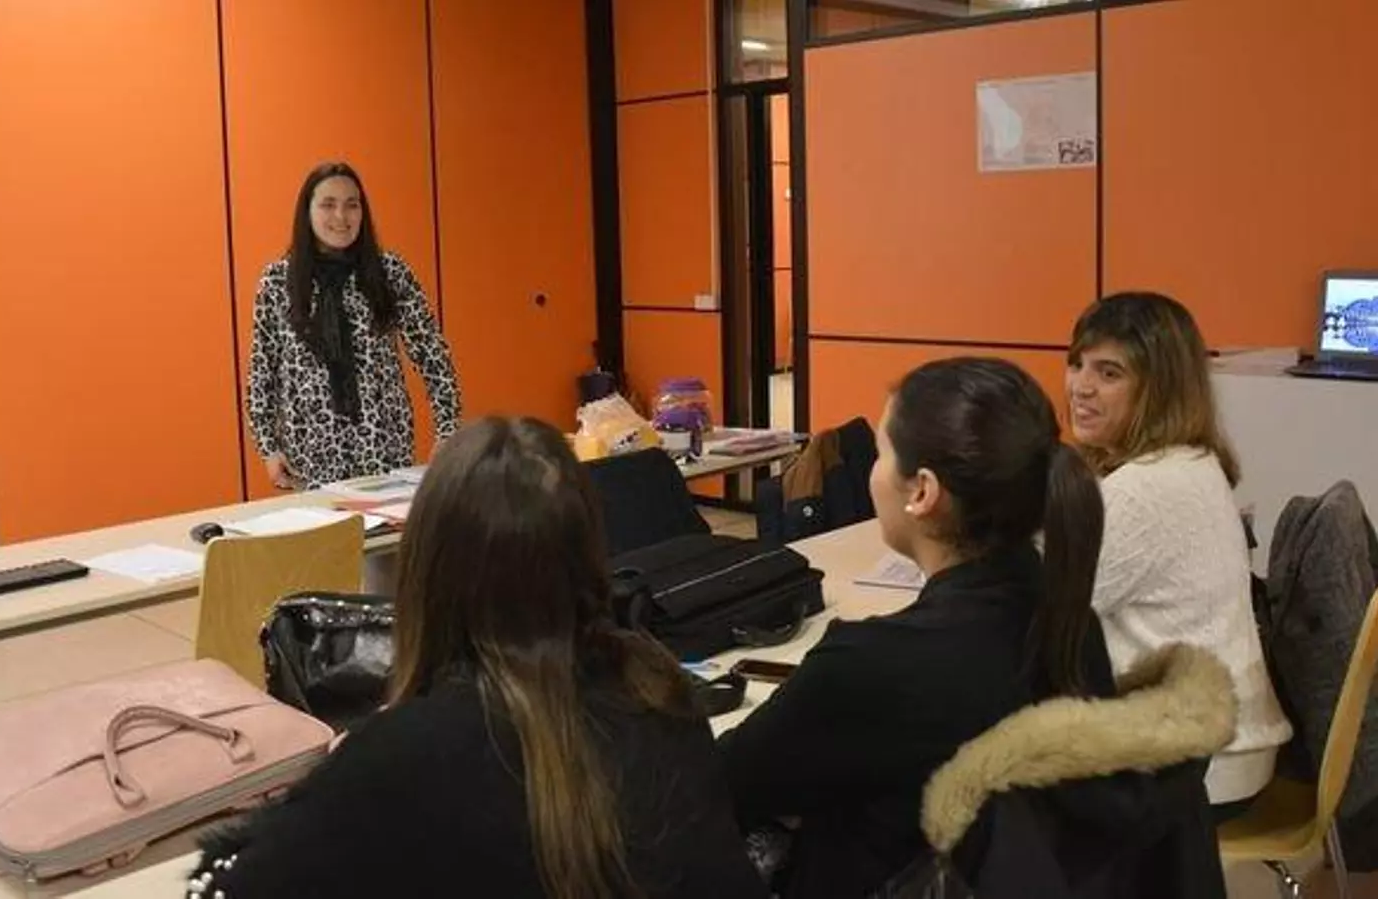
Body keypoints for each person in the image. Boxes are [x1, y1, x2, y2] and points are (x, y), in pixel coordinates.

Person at [188, 417, 767, 899]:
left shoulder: (403, 755)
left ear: (425, 571)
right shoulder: (655, 686)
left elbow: (224, 887)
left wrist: (331, 782)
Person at [718, 357, 1116, 898]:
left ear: (922, 491)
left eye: (882, 454)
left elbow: (722, 783)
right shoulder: (1070, 620)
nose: (873, 473)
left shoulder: (870, 666)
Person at [1066, 292, 1291, 818]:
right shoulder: (1188, 463)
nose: (1081, 386)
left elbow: (1045, 610)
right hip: (1225, 744)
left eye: (1109, 372)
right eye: (1076, 364)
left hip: (1198, 769)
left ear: (1159, 390)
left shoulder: (1144, 489)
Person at [247, 162, 461, 490]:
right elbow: (263, 371)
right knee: (323, 526)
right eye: (328, 204)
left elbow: (432, 354)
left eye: (352, 205)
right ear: (307, 212)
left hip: (384, 450)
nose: (341, 216)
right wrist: (268, 447)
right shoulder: (278, 281)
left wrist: (448, 429)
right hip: (310, 456)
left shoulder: (390, 272)